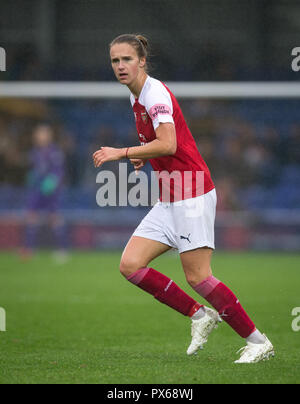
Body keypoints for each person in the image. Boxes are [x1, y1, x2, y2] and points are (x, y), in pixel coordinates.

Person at [93, 34, 274, 363]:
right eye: (115, 61)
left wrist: (123, 152)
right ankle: (200, 316)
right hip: (169, 196)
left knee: (198, 276)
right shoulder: (137, 97)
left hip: (191, 193)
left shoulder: (154, 93)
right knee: (131, 265)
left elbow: (170, 144)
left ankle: (258, 341)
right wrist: (143, 155)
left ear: (142, 61)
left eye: (127, 59)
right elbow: (160, 144)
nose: (120, 66)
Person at [21, 123, 68, 262]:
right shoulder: (34, 152)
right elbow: (34, 170)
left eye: (43, 134)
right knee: (31, 217)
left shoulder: (54, 152)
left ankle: (62, 250)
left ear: (49, 136)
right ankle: (29, 249)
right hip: (36, 190)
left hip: (50, 191)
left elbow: (59, 171)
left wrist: (52, 181)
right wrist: (32, 178)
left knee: (54, 219)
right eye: (39, 134)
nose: (40, 136)